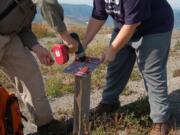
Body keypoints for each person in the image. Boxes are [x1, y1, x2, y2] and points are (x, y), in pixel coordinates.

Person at [82, 0, 174, 134]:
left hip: (154, 27)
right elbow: (98, 15)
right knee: (116, 66)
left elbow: (133, 23)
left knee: (152, 72)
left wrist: (112, 50)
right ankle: (109, 103)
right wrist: (84, 42)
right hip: (124, 26)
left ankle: (161, 120)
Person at [0, 0, 76, 134]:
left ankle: (46, 125)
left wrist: (37, 47)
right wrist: (65, 36)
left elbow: (23, 29)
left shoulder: (30, 7)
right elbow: (48, 2)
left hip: (9, 37)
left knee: (30, 72)